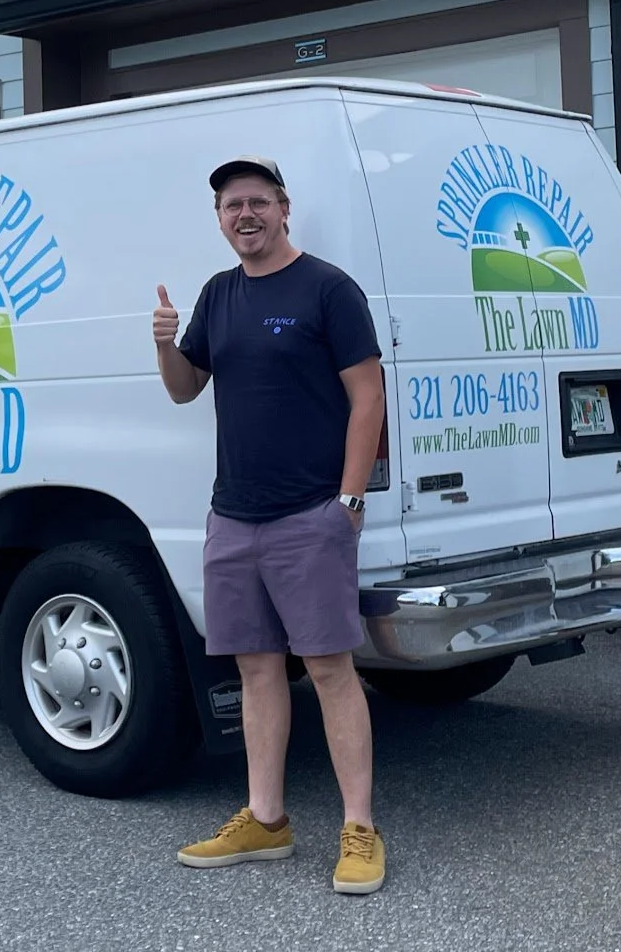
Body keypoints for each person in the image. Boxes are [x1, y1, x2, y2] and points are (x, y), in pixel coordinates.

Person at [153, 155, 388, 895]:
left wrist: (348, 503)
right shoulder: (218, 295)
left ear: (285, 208)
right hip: (234, 516)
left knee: (329, 669)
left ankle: (359, 827)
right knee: (256, 668)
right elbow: (187, 389)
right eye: (231, 206)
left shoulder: (327, 288)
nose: (244, 214)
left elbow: (368, 396)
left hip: (309, 513)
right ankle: (267, 818)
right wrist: (165, 341)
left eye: (257, 201)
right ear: (220, 219)